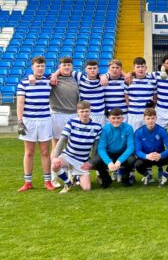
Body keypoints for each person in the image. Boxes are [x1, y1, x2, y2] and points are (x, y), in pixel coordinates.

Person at [16, 56, 55, 192]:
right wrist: (20, 121)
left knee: (45, 152)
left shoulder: (49, 81)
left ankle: (48, 182)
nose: (40, 68)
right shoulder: (23, 83)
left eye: (42, 66)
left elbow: (60, 72)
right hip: (29, 121)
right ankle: (28, 182)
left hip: (45, 120)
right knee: (29, 152)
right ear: (32, 67)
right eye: (37, 66)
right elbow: (20, 103)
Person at [51, 101, 103, 193]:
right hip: (68, 156)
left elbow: (95, 147)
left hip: (82, 161)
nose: (84, 114)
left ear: (90, 111)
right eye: (82, 111)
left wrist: (90, 162)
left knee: (87, 188)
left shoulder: (97, 127)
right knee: (55, 165)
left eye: (86, 111)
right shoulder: (72, 122)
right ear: (78, 112)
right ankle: (68, 183)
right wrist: (55, 157)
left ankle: (76, 176)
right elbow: (62, 140)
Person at [89, 108, 136, 188]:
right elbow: (101, 148)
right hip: (109, 153)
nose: (116, 120)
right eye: (113, 118)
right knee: (95, 161)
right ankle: (106, 178)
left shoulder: (128, 128)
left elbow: (131, 147)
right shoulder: (105, 129)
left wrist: (119, 161)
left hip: (122, 153)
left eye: (118, 118)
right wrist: (109, 162)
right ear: (109, 118)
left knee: (132, 160)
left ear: (122, 118)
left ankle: (125, 178)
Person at [133, 108, 168, 187]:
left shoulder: (161, 130)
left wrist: (161, 155)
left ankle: (165, 176)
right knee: (137, 164)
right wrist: (146, 156)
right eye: (148, 118)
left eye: (152, 118)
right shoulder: (138, 132)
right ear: (144, 119)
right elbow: (137, 151)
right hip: (147, 158)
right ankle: (147, 176)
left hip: (159, 157)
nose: (150, 121)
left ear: (156, 118)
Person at [125, 57, 157, 131]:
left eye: (142, 66)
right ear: (134, 68)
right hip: (133, 114)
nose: (140, 69)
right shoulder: (129, 81)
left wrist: (151, 109)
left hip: (147, 115)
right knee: (133, 135)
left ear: (146, 67)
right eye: (138, 67)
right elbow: (126, 99)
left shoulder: (152, 80)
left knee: (148, 136)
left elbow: (155, 98)